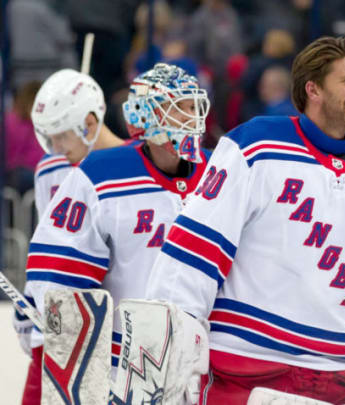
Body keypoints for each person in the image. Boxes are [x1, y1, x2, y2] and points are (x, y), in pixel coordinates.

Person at [143, 36, 345, 404]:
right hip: (253, 373)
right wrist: (164, 352)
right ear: (313, 89)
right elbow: (195, 252)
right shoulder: (255, 146)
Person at [20, 63, 211, 405]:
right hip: (127, 366)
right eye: (177, 107)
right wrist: (67, 342)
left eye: (192, 106)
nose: (190, 116)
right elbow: (61, 271)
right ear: (144, 116)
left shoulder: (221, 171)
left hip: (206, 363)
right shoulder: (100, 175)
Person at [30, 69, 125, 217]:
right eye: (50, 138)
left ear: (89, 123)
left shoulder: (139, 165)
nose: (56, 148)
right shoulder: (49, 169)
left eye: (62, 136)